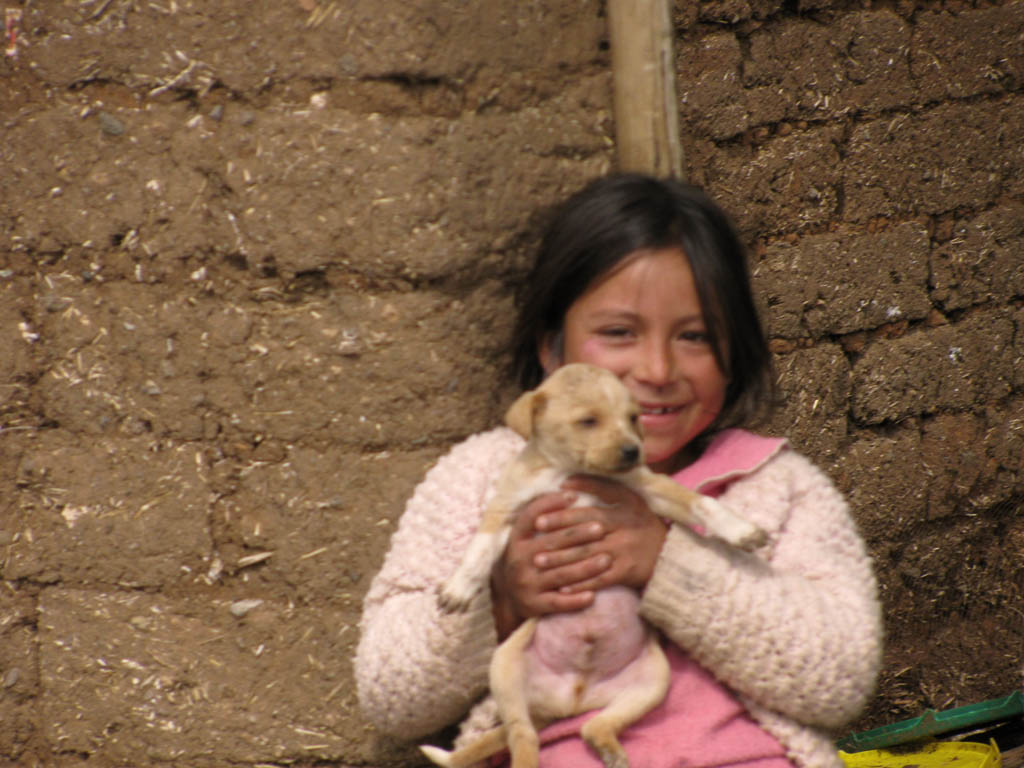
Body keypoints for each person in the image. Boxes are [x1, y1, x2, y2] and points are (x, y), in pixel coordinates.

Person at [355, 173, 882, 768]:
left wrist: (669, 563)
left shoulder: (774, 487)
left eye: (695, 336)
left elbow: (840, 678)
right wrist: (501, 600)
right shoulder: (482, 477)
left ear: (737, 354)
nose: (657, 369)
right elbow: (389, 694)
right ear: (551, 349)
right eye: (618, 333)